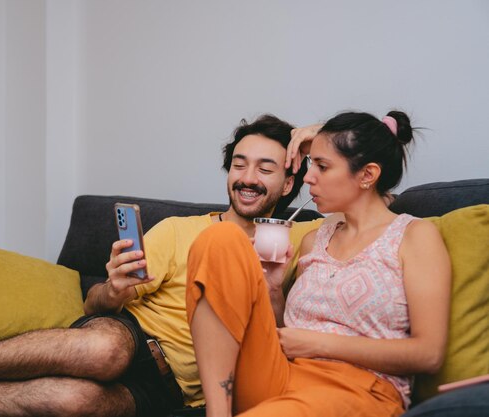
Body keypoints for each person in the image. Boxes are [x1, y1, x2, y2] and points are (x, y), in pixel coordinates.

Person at [0, 114, 310, 417]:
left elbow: (375, 195)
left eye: (266, 168)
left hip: (175, 388)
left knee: (72, 402)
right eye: (239, 164)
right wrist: (112, 289)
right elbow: (94, 301)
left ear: (291, 179)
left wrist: (314, 135)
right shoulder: (179, 229)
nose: (247, 178)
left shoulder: (305, 238)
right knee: (104, 351)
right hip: (129, 336)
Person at [186, 110, 452, 417]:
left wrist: (319, 344)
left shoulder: (414, 236)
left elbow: (428, 354)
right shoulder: (315, 239)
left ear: (367, 175)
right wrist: (272, 289)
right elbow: (289, 335)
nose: (308, 177)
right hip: (280, 375)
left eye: (322, 166)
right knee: (220, 237)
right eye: (312, 165)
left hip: (355, 389)